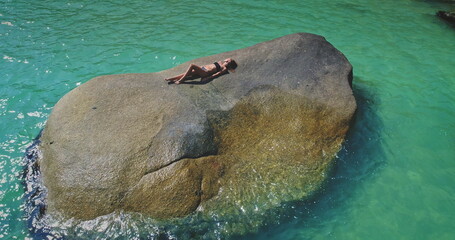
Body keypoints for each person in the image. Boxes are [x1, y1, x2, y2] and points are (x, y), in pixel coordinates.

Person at [165, 58, 237, 84]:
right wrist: (202, 67)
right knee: (187, 73)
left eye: (229, 60)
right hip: (203, 68)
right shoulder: (221, 62)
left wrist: (209, 78)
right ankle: (171, 79)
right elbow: (210, 65)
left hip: (205, 73)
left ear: (229, 62)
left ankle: (181, 80)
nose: (227, 59)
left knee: (192, 65)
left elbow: (217, 74)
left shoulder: (224, 68)